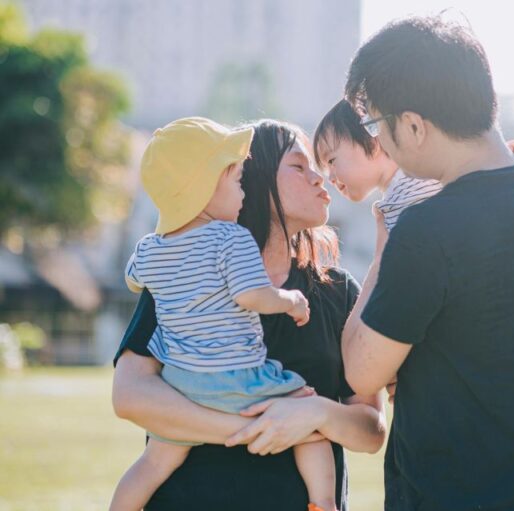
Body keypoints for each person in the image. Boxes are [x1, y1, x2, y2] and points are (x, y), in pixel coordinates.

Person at [341, 16, 514, 511]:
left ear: (413, 125)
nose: (378, 144)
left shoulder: (427, 230)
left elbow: (360, 370)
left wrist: (387, 236)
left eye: (375, 125)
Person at [112, 119, 386, 511]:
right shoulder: (186, 271)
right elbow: (130, 396)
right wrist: (258, 427)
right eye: (298, 166)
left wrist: (315, 413)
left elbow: (372, 431)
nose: (319, 178)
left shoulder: (339, 293)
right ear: (249, 176)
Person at [313, 99, 514, 232]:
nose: (330, 177)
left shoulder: (421, 172)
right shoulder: (388, 207)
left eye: (332, 160)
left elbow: (470, 174)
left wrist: (509, 151)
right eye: (324, 169)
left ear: (373, 138)